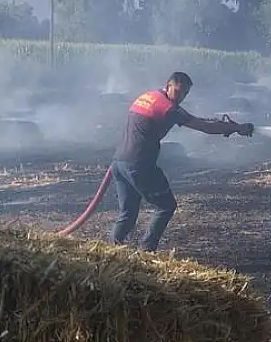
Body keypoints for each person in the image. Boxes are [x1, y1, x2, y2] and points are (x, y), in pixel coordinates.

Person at [108, 71, 254, 252]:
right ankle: (146, 250)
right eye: (178, 92)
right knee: (166, 206)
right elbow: (204, 126)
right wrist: (237, 128)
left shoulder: (148, 97)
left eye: (185, 94)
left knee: (128, 212)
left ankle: (111, 250)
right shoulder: (168, 108)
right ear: (168, 85)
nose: (181, 97)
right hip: (139, 164)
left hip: (119, 162)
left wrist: (226, 126)